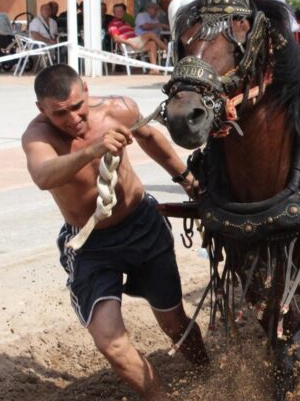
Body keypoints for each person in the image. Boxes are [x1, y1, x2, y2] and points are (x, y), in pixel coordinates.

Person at [22, 64, 209, 401]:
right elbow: (43, 175)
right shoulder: (38, 137)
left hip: (142, 227)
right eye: (60, 113)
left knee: (174, 323)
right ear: (42, 110)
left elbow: (150, 137)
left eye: (77, 106)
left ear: (86, 90)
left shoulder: (119, 109)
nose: (73, 119)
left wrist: (186, 179)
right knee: (109, 340)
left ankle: (207, 372)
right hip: (90, 243)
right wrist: (92, 150)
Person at [108, 4, 166, 74]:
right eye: (116, 11)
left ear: (124, 12)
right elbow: (116, 39)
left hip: (135, 42)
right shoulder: (113, 24)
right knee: (150, 35)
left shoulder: (125, 23)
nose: (118, 13)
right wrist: (129, 42)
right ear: (113, 13)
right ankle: (167, 50)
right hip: (128, 44)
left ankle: (153, 69)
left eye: (120, 11)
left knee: (152, 43)